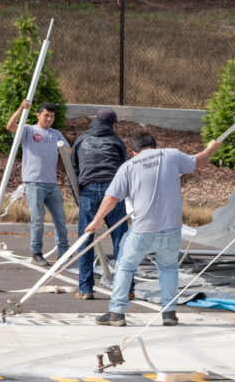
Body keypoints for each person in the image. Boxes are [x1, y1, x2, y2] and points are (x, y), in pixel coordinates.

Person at [86, 132, 221, 327]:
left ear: (134, 152)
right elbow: (197, 162)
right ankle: (169, 313)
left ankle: (116, 312)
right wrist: (210, 149)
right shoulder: (170, 155)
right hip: (171, 228)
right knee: (168, 268)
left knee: (125, 266)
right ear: (155, 147)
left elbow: (112, 197)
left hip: (143, 229)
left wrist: (96, 221)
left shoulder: (129, 166)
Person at [70, 108, 133, 300]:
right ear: (114, 125)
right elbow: (125, 169)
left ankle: (86, 288)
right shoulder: (116, 141)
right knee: (121, 241)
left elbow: (73, 170)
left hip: (88, 190)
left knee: (86, 240)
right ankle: (127, 289)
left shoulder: (81, 140)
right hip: (113, 192)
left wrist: (79, 199)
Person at [7, 99, 69, 266]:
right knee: (38, 220)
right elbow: (10, 126)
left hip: (52, 184)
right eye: (46, 116)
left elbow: (68, 152)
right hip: (34, 183)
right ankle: (37, 253)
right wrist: (21, 108)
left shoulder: (56, 134)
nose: (49, 119)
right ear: (38, 115)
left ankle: (64, 252)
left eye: (52, 117)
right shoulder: (29, 130)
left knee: (60, 219)